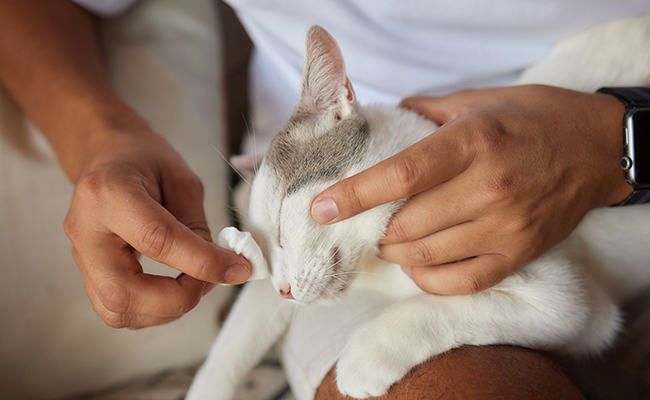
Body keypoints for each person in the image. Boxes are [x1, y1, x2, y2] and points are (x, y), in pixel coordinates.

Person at [0, 0, 648, 399]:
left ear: (341, 106)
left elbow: (578, 313)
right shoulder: (334, 227)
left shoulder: (362, 166)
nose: (284, 285)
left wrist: (619, 137)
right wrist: (102, 142)